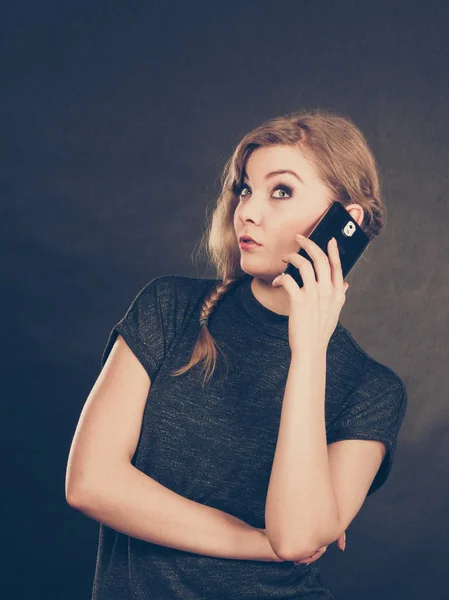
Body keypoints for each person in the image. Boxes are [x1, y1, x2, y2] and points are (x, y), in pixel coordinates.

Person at [66, 108, 408, 599]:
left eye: (282, 191)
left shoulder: (371, 389)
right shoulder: (171, 308)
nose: (247, 211)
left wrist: (309, 349)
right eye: (246, 188)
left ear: (344, 223)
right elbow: (90, 483)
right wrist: (258, 543)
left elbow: (295, 534)